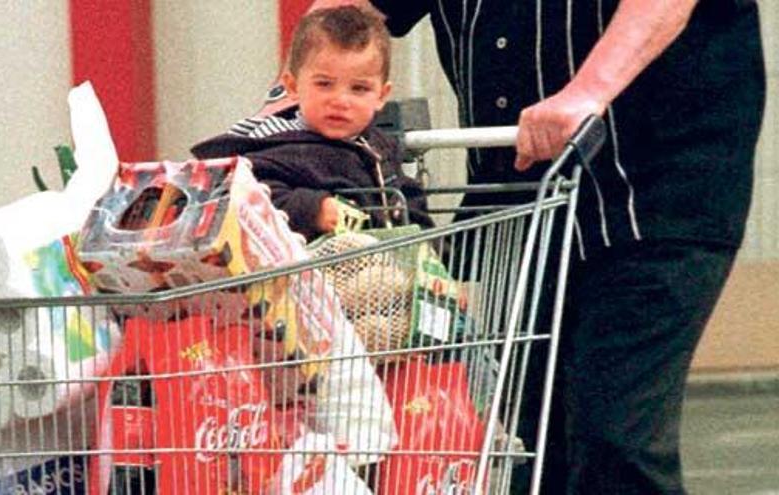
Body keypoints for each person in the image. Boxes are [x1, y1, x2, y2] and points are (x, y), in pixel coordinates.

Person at [261, 0, 767, 493]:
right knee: (522, 441)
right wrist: (277, 117)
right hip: (518, 197)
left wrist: (587, 92)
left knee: (614, 436)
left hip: (651, 190)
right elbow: (343, 15)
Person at [191, 5, 432, 242]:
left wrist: (429, 243)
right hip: (297, 272)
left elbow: (404, 196)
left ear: (381, 95)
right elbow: (249, 196)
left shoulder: (377, 145)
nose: (340, 101)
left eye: (359, 88)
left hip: (375, 268)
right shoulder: (277, 145)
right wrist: (312, 209)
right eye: (324, 84)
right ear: (293, 87)